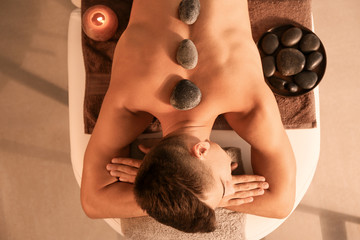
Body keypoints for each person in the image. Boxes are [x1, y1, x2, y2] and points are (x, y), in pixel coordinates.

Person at [80, 0, 296, 233]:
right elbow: (92, 202)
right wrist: (163, 190)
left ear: (201, 150)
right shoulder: (129, 101)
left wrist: (204, 197)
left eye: (225, 185)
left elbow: (281, 204)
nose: (232, 190)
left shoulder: (247, 102)